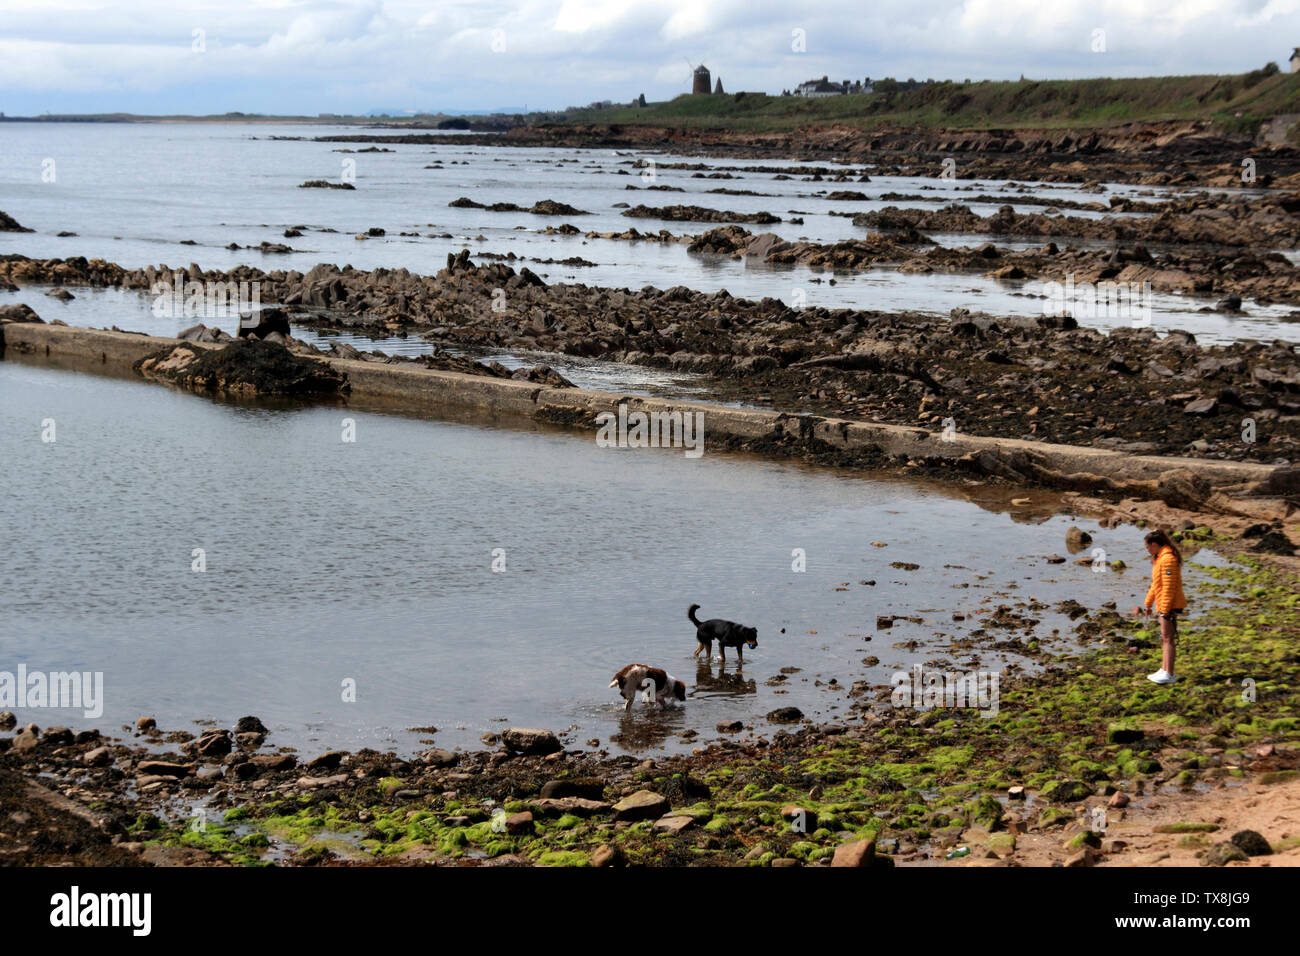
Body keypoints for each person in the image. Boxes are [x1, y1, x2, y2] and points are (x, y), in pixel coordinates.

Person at [1138, 530, 1187, 684]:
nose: (1147, 550)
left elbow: (1169, 587)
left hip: (1170, 605)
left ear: (1154, 544)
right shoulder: (1159, 558)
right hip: (1164, 604)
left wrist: (1164, 610)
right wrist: (1148, 603)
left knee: (1168, 638)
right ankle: (1164, 669)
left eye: (1147, 547)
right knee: (1165, 638)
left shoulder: (1168, 560)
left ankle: (1169, 673)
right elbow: (1155, 585)